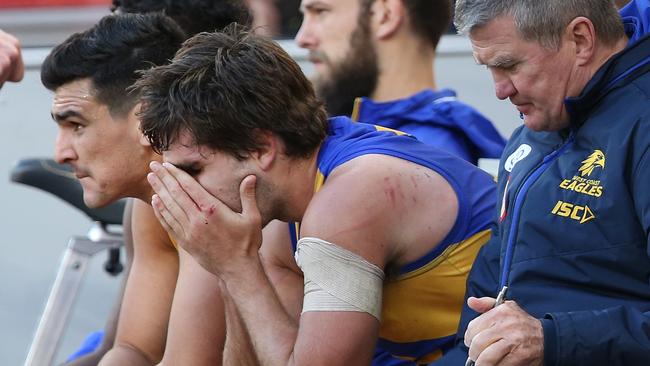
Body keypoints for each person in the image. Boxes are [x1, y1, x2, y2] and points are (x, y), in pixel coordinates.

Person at [135, 24, 498, 365]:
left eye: (193, 170)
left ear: (262, 148)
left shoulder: (350, 197)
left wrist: (236, 266)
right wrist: (228, 267)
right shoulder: (286, 213)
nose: (182, 190)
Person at [431, 0, 650, 365]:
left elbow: (539, 338)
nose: (500, 91)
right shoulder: (527, 139)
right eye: (489, 69)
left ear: (580, 40)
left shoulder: (641, 128)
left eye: (509, 65)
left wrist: (551, 340)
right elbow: (486, 296)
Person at [41, 10, 248, 366]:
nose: (60, 153)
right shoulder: (152, 196)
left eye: (75, 125)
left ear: (145, 118)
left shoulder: (208, 196)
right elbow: (133, 350)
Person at [295, 0, 506, 165]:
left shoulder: (420, 156)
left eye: (320, 11)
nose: (302, 38)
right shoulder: (366, 135)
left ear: (386, 15)